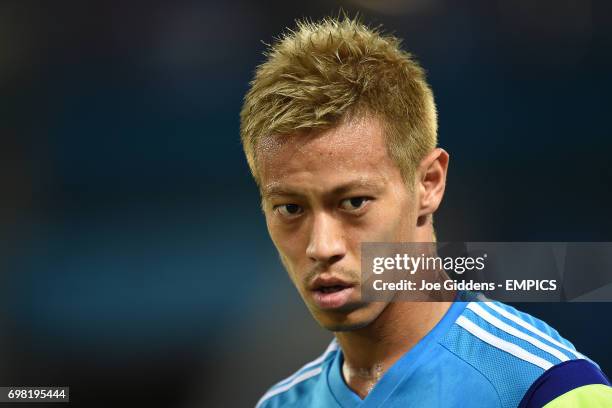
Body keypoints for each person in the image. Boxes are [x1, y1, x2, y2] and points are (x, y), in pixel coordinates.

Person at [239, 16, 612, 407]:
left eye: (354, 202)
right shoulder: (278, 404)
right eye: (291, 208)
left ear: (429, 184)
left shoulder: (546, 388)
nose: (323, 246)